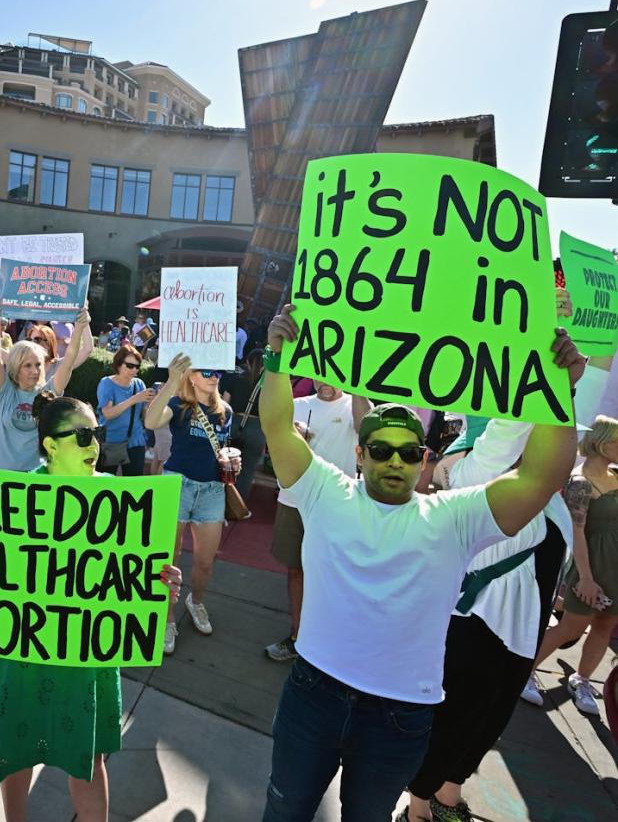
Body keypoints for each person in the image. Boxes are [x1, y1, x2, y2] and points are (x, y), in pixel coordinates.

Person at [257, 304, 582, 822]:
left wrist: (557, 390)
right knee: (285, 813)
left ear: (425, 461)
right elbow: (277, 424)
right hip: (312, 697)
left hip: (398, 718)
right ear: (360, 453)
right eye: (382, 449)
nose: (394, 461)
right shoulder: (324, 490)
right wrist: (277, 356)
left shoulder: (454, 516)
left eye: (409, 454)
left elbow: (539, 477)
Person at [0, 394, 182, 822]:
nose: (95, 446)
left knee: (87, 761)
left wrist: (161, 584)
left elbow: (132, 581)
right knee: (16, 752)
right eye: (85, 435)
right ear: (50, 445)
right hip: (19, 655)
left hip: (83, 657)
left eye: (98, 435)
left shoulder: (121, 508)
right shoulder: (8, 499)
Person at [397, 418, 570, 822]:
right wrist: (539, 383)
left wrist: (567, 390)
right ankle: (418, 807)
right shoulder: (485, 474)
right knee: (453, 714)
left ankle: (448, 792)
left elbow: (563, 440)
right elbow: (505, 434)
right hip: (474, 624)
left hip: (520, 631)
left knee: (489, 717)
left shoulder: (554, 500)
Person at [523, 416, 618, 717]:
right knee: (571, 627)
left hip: (615, 566)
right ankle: (524, 672)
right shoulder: (579, 482)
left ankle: (582, 679)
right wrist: (586, 579)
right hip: (590, 565)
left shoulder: (616, 475)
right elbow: (577, 532)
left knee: (604, 626)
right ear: (602, 443)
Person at [264, 381, 364, 662]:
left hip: (334, 504)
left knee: (333, 574)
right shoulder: (298, 405)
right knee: (296, 569)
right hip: (294, 500)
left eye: (332, 376)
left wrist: (358, 385)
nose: (324, 383)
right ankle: (297, 636)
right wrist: (291, 442)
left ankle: (328, 641)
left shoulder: (354, 405)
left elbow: (364, 427)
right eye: (319, 376)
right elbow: (274, 450)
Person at [146, 355, 236, 652]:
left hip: (212, 490)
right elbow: (150, 420)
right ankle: (167, 619)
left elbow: (222, 448)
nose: (214, 377)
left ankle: (195, 601)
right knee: (169, 560)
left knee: (205, 561)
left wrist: (231, 461)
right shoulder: (178, 406)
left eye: (218, 372)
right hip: (178, 485)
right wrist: (172, 380)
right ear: (192, 376)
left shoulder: (226, 411)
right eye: (207, 371)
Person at [0, 298, 88, 472]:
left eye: (38, 364)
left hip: (35, 481)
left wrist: (80, 326)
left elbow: (68, 361)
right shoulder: (5, 390)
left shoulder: (49, 393)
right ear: (16, 368)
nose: (34, 371)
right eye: (27, 366)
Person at [96, 345, 152, 476]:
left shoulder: (139, 384)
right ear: (119, 364)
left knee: (133, 486)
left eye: (137, 367)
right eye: (130, 366)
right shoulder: (106, 383)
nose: (134, 370)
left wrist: (151, 404)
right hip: (111, 441)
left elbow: (145, 419)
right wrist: (134, 399)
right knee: (107, 484)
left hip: (135, 440)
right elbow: (108, 414)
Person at [220, 347, 265, 499]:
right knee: (247, 470)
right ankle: (238, 504)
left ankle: (220, 498)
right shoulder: (268, 386)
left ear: (247, 361)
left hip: (234, 423)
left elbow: (224, 404)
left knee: (225, 465)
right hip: (257, 428)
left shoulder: (235, 379)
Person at [26, 321, 93, 382]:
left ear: (49, 343)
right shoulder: (20, 365)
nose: (31, 344)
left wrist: (83, 319)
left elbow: (87, 349)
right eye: (29, 340)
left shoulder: (59, 366)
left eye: (36, 340)